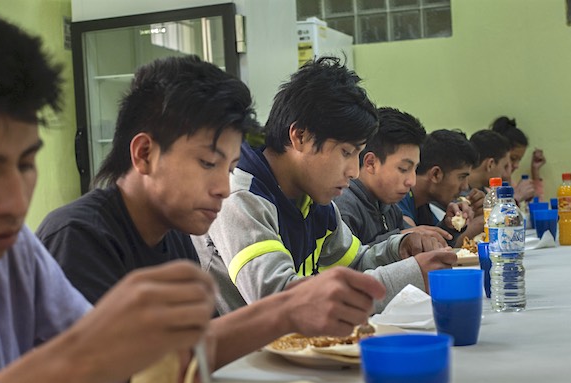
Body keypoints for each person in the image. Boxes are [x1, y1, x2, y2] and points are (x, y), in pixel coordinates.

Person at [0, 2, 218, 383]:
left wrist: (156, 359)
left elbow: (108, 365)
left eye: (25, 163)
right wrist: (86, 353)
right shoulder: (77, 232)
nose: (15, 203)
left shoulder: (13, 253)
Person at [36, 55, 387, 383]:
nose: (223, 186)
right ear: (144, 154)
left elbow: (188, 368)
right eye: (208, 163)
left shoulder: (174, 238)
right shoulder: (78, 237)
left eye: (230, 166)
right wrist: (285, 309)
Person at [192, 57, 456, 316]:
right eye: (346, 152)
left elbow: (354, 262)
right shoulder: (241, 196)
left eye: (358, 154)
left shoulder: (314, 200)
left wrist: (399, 248)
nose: (354, 171)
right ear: (301, 137)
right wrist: (410, 274)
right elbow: (276, 299)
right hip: (236, 357)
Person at [334, 107, 451, 247]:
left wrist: (449, 227)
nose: (412, 181)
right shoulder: (344, 207)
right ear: (371, 163)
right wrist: (399, 240)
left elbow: (419, 241)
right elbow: (351, 264)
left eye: (415, 169)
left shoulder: (388, 206)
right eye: (403, 169)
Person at [397, 129, 483, 247]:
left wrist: (449, 226)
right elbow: (415, 248)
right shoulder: (399, 199)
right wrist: (484, 219)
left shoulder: (423, 205)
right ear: (436, 174)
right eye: (461, 177)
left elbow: (441, 245)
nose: (465, 186)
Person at [490, 116, 547, 201]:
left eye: (519, 160)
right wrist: (516, 197)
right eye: (513, 158)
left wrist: (535, 171)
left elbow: (536, 206)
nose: (516, 165)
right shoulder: (486, 188)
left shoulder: (509, 182)